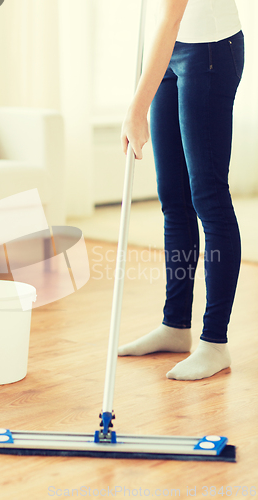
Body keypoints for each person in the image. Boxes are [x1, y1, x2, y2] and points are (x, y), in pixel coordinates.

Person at [118, 0, 244, 380]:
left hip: (210, 52)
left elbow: (173, 15)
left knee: (208, 197)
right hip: (170, 51)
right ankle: (175, 326)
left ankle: (214, 343)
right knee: (173, 198)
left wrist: (136, 110)